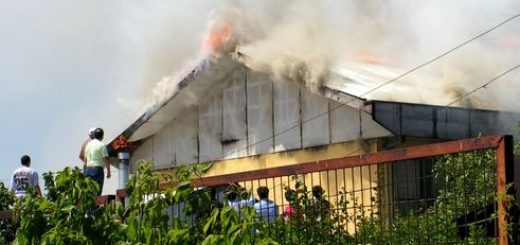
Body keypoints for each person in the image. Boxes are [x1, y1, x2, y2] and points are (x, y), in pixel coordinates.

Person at [84, 128, 111, 195]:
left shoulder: (88, 145)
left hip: (88, 169)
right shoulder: (102, 145)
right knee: (97, 191)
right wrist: (108, 172)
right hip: (97, 170)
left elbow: (85, 158)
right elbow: (106, 159)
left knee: (89, 191)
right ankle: (95, 205)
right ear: (102, 136)